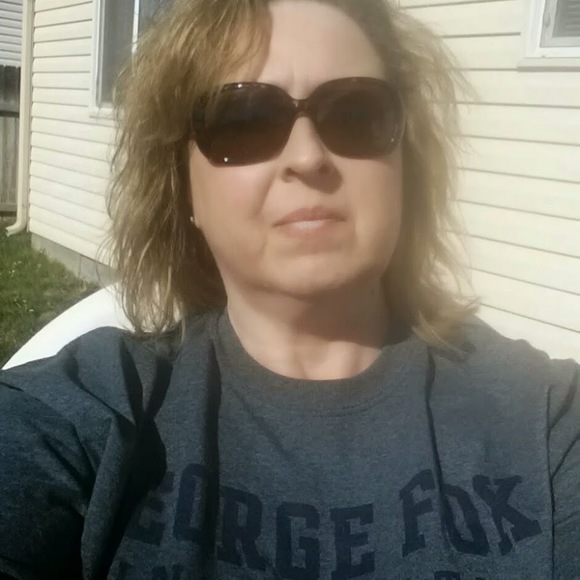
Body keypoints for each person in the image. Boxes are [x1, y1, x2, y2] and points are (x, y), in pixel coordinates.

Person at [0, 0, 578, 578]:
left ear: (405, 166)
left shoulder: (546, 426)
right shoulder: (90, 412)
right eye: (243, 119)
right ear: (182, 186)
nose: (308, 157)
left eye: (356, 113)